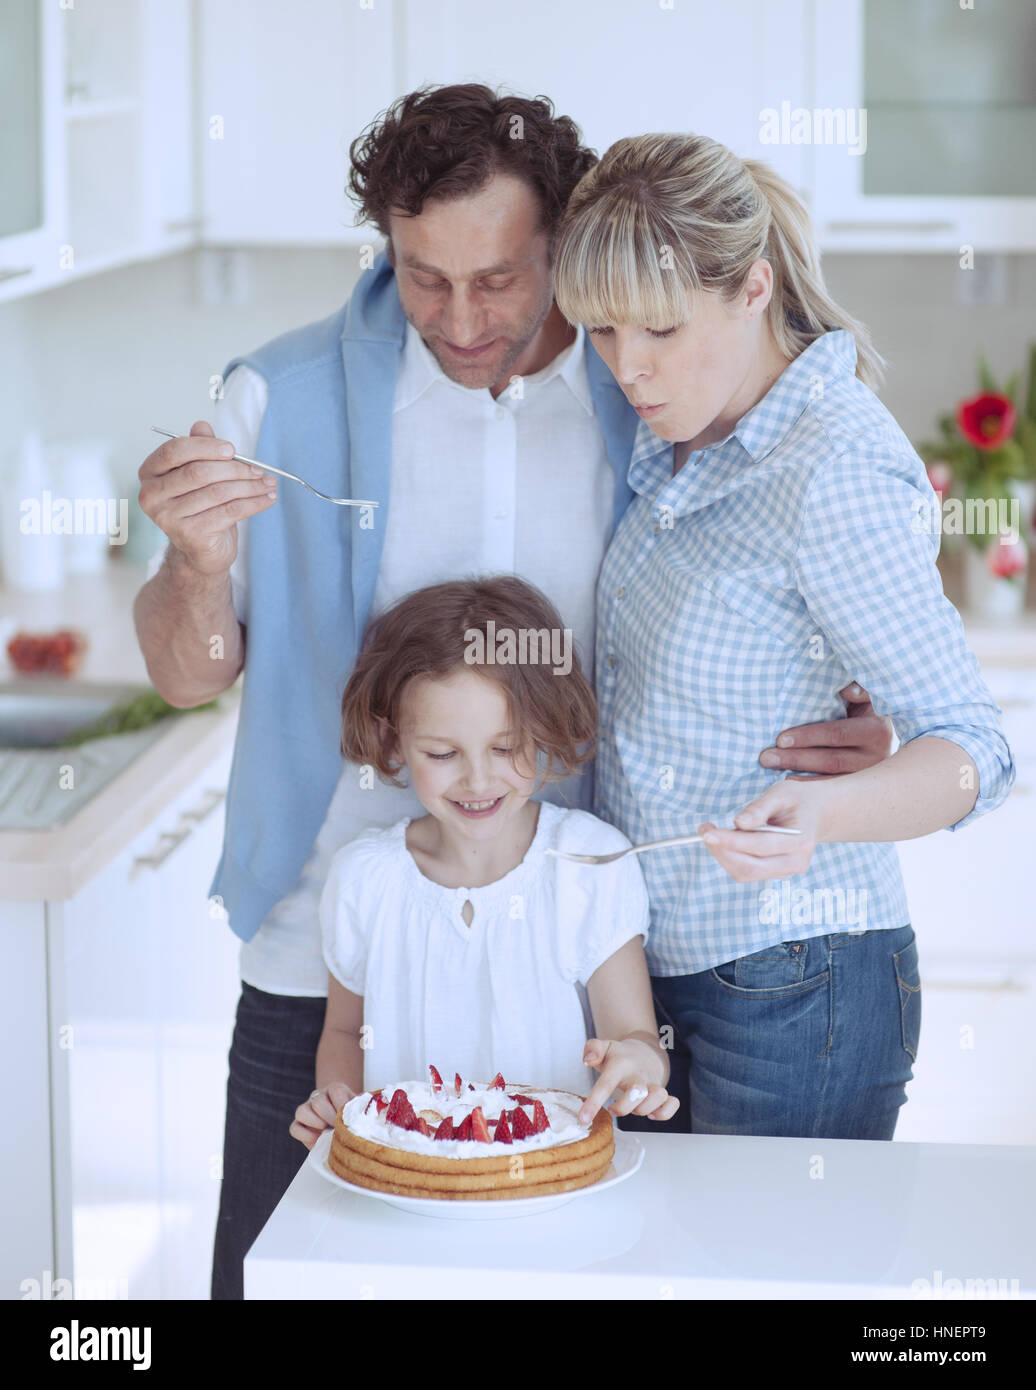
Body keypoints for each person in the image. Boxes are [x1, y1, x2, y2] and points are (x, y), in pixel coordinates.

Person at [133, 86, 893, 1299]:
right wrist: (194, 564)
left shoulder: (642, 394)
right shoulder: (276, 404)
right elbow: (186, 677)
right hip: (320, 949)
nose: (461, 316)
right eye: (423, 276)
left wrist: (862, 699)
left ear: (565, 243)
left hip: (564, 965)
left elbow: (773, 567)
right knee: (267, 1282)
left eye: (499, 276)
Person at [550, 131, 1016, 1140]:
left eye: (660, 331)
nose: (628, 367)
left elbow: (979, 750)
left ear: (752, 288)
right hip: (660, 970)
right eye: (602, 332)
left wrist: (823, 814)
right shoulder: (685, 430)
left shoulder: (831, 470)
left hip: (799, 981)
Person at [289, 576, 678, 1151]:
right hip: (406, 1188)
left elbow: (637, 1035)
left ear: (544, 726)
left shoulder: (589, 862)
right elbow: (345, 1031)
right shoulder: (364, 878)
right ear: (393, 741)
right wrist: (337, 1099)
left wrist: (639, 1066)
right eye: (442, 754)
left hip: (552, 1187)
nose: (477, 779)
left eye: (505, 747)